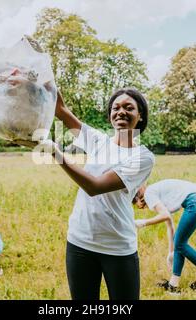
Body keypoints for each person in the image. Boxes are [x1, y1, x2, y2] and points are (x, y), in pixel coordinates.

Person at [40, 88, 155, 300]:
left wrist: (56, 153)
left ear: (141, 117)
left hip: (118, 246)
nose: (121, 112)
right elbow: (61, 110)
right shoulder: (99, 141)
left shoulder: (143, 157)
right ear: (110, 115)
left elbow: (94, 187)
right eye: (116, 107)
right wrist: (43, 78)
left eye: (129, 108)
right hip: (79, 241)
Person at [134, 179, 196, 295]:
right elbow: (169, 224)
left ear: (138, 196)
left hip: (195, 202)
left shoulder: (149, 193)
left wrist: (142, 223)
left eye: (135, 201)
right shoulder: (156, 192)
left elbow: (164, 215)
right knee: (179, 242)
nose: (139, 206)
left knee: (181, 244)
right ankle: (173, 285)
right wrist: (171, 252)